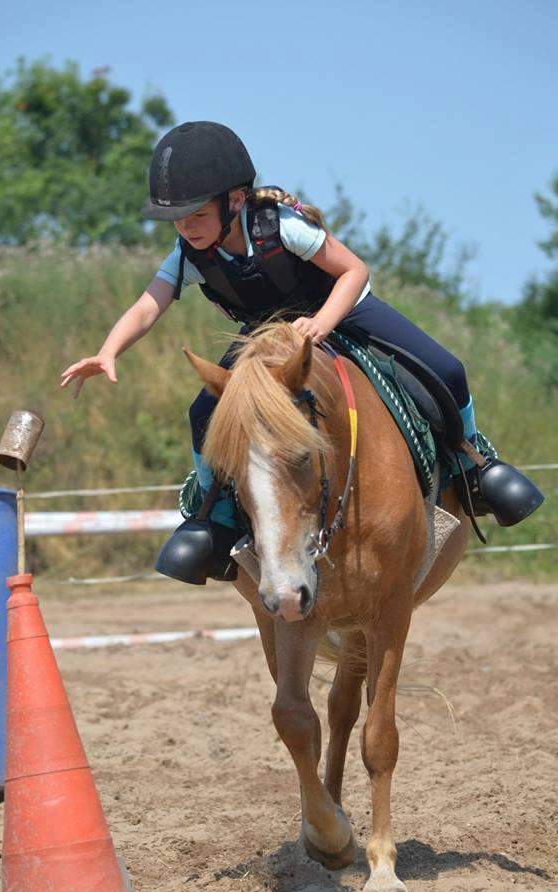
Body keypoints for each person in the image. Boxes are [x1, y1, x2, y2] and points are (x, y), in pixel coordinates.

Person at [61, 121, 543, 585]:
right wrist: (109, 351)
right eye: (177, 219)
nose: (186, 228)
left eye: (197, 215)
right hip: (267, 336)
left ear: (234, 201)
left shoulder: (280, 227)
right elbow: (149, 305)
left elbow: (354, 270)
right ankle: (216, 514)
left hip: (340, 309)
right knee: (204, 411)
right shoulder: (188, 253)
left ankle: (474, 465)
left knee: (446, 368)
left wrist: (321, 324)